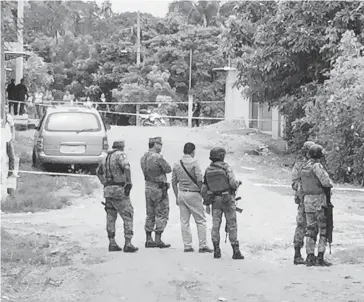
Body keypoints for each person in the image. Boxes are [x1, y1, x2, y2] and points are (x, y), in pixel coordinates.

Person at [201, 147, 244, 260]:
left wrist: (206, 200)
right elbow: (233, 183)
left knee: (215, 225)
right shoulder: (226, 167)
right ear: (222, 156)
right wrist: (238, 183)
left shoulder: (208, 170)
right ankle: (235, 251)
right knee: (232, 225)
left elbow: (204, 187)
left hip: (215, 201)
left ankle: (216, 250)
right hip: (228, 200)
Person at [96, 140, 138, 253]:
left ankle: (112, 242)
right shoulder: (121, 155)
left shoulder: (104, 157)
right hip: (119, 189)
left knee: (111, 216)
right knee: (128, 215)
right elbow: (127, 167)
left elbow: (98, 172)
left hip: (108, 190)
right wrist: (128, 182)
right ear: (121, 147)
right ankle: (128, 243)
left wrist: (104, 182)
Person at [171, 142, 213, 253]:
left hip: (181, 193)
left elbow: (174, 182)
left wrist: (176, 196)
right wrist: (203, 194)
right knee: (200, 220)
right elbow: (199, 179)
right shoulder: (195, 163)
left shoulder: (177, 164)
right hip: (193, 194)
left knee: (184, 221)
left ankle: (187, 246)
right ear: (193, 151)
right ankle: (203, 245)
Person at [300, 144, 333, 267]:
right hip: (319, 200)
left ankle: (309, 256)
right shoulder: (316, 166)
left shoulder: (304, 167)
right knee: (323, 229)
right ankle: (320, 256)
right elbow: (326, 182)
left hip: (308, 201)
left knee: (310, 229)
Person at [140, 137, 172, 248]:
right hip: (159, 188)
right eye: (160, 144)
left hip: (148, 187)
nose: (161, 146)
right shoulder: (158, 157)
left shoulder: (143, 157)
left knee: (150, 213)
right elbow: (168, 169)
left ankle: (148, 238)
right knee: (162, 213)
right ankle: (158, 238)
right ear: (155, 144)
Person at [291, 140, 316, 265]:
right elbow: (294, 184)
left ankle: (309, 254)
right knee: (304, 226)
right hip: (307, 199)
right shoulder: (302, 165)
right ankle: (299, 254)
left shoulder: (309, 164)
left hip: (309, 199)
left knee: (309, 226)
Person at [4, 103, 17, 177]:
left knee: (11, 156)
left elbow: (12, 127)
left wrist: (13, 136)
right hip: (2, 139)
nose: (6, 109)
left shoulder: (9, 117)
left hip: (8, 139)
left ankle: (11, 171)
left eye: (7, 108)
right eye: (4, 108)